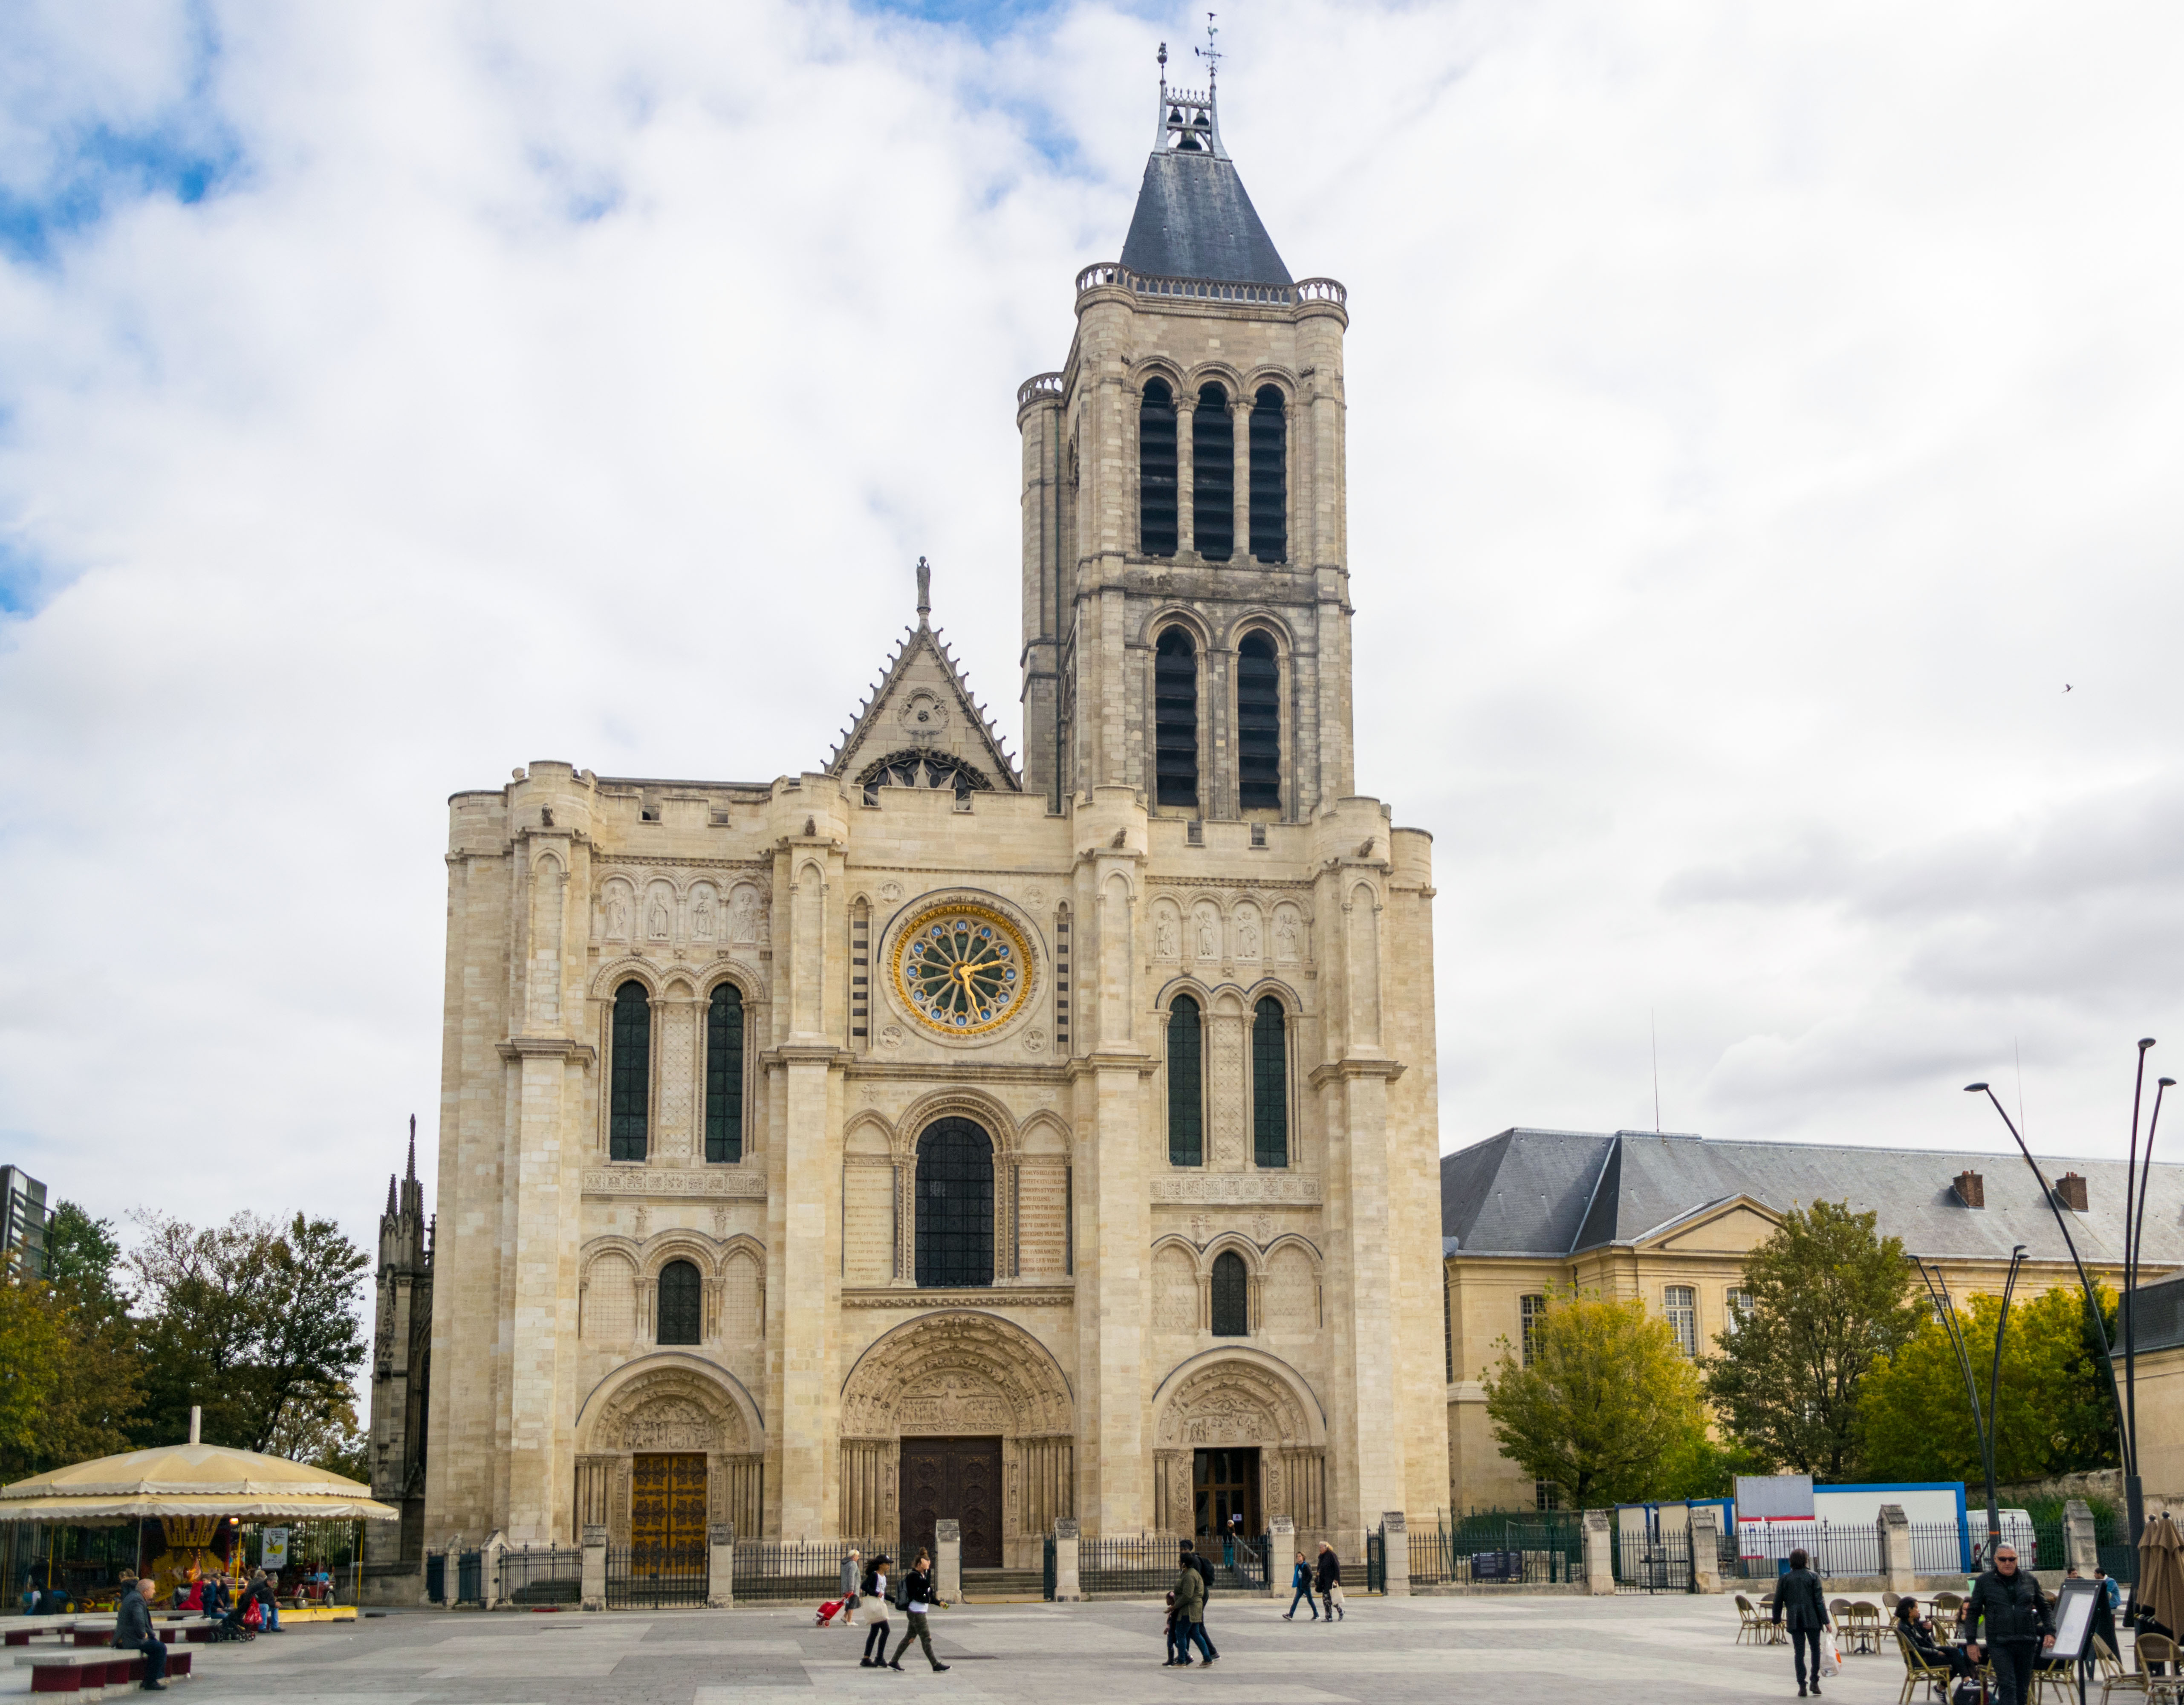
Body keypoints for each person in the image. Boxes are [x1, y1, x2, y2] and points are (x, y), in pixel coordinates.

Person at [1964, 1542, 2054, 1705]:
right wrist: (1971, 1641)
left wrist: (2050, 1631)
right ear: (1995, 1560)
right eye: (2003, 1559)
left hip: (2026, 1641)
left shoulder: (2029, 1579)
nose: (2008, 1563)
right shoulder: (1985, 1581)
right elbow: (1973, 1612)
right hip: (1999, 1642)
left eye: (2012, 1559)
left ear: (2017, 1559)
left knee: (2022, 1688)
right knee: (2007, 1685)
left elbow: (2044, 1607)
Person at [1770, 1548, 1832, 1698]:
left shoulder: (1785, 1578)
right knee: (1815, 1649)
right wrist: (1826, 1621)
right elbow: (1819, 1601)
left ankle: (1802, 1685)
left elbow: (1778, 1601)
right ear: (1805, 1561)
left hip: (1794, 1619)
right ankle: (1814, 1681)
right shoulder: (1813, 1576)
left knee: (1799, 1653)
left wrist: (1776, 1619)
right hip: (1813, 1618)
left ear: (1791, 1561)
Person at [887, 1549, 949, 1674]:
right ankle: (935, 1665)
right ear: (920, 1564)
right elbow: (925, 1585)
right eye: (927, 1564)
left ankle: (894, 1662)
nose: (928, 1567)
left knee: (909, 1637)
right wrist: (928, 1571)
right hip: (916, 1612)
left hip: (919, 1611)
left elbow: (928, 1595)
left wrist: (939, 1603)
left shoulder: (922, 1576)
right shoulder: (913, 1576)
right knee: (926, 1638)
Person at [1897, 1597, 1976, 1679]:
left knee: (1955, 1651)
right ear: (1910, 1610)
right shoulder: (1904, 1627)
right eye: (1916, 1608)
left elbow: (1923, 1637)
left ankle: (1963, 1681)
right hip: (1920, 1659)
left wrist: (1928, 1628)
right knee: (1957, 1659)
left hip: (1927, 1652)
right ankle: (1966, 1680)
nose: (1919, 1610)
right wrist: (1936, 1652)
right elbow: (1916, 1649)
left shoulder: (1914, 1622)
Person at [113, 1577, 167, 1693]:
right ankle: (151, 1681)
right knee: (160, 1648)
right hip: (131, 1640)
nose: (155, 1592)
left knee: (156, 1646)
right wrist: (143, 1635)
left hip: (130, 1637)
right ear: (146, 1591)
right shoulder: (137, 1600)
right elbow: (138, 1620)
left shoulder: (135, 1597)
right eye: (153, 1589)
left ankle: (149, 1680)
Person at [1168, 1541, 1216, 1667]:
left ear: (1184, 1563)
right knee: (1195, 1632)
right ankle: (1207, 1658)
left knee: (1181, 1633)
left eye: (1180, 1562)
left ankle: (1183, 1660)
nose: (1178, 1563)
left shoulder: (1190, 1575)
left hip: (1190, 1608)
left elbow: (1188, 1595)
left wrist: (1175, 1606)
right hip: (1193, 1606)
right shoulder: (1188, 1573)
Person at [859, 1555, 892, 1668]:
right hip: (875, 1607)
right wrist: (876, 1593)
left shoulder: (884, 1577)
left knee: (874, 1632)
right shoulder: (875, 1575)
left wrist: (895, 1600)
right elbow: (864, 1586)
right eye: (887, 1564)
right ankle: (879, 1658)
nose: (888, 1566)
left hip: (879, 1605)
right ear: (881, 1565)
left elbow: (883, 1593)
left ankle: (866, 1658)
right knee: (886, 1630)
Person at [1284, 1551, 1317, 1621]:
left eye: (1300, 1556)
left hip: (1306, 1587)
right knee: (1296, 1600)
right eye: (1297, 1557)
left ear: (1303, 1557)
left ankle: (1316, 1614)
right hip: (1300, 1586)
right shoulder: (1298, 1565)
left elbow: (1310, 1575)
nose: (1298, 1558)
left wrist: (1306, 1583)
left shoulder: (1306, 1565)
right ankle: (1291, 1615)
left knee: (1310, 1600)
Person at [1314, 1543, 1343, 1622]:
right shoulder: (1322, 1556)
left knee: (1327, 1599)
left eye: (1321, 1548)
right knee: (1328, 1599)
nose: (1320, 1549)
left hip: (1330, 1581)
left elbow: (1337, 1567)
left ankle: (1329, 1617)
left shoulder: (1331, 1555)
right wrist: (1317, 1579)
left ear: (1326, 1548)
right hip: (1324, 1581)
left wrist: (1336, 1579)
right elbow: (1320, 1569)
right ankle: (1339, 1611)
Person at [839, 1548, 861, 1629]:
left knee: (849, 1603)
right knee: (852, 1604)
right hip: (852, 1588)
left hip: (845, 1587)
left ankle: (845, 1617)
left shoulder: (845, 1563)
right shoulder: (853, 1564)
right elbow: (851, 1577)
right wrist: (852, 1589)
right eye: (858, 1556)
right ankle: (849, 1621)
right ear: (854, 1556)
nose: (858, 1558)